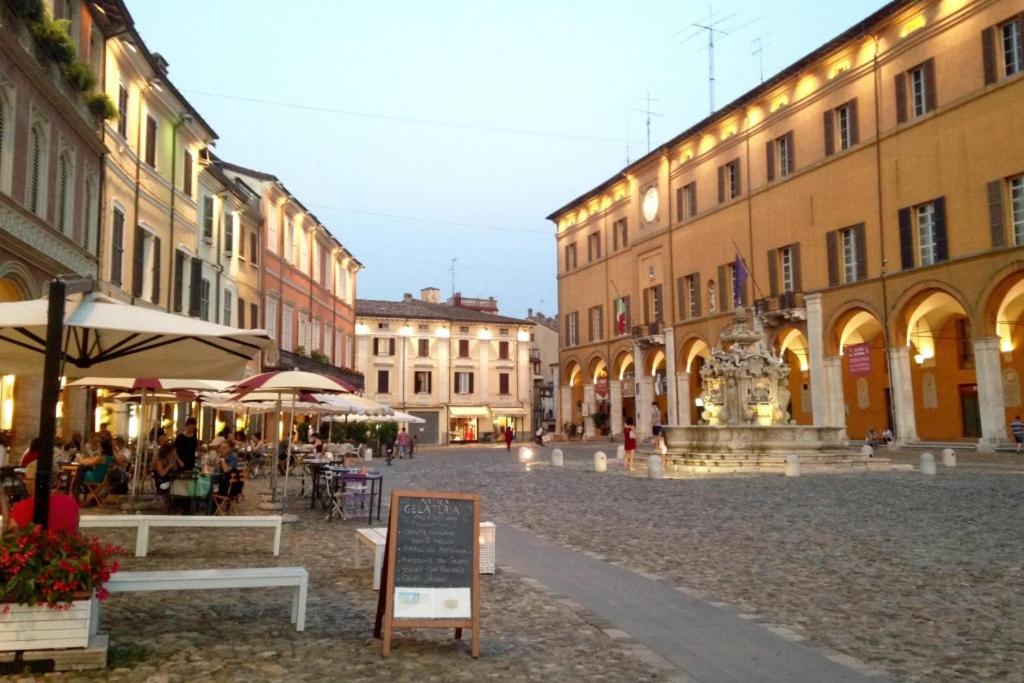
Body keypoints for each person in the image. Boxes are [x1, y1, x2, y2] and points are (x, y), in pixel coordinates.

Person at [6, 493, 80, 533]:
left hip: (32, 558)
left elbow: (10, 539)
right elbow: (76, 533)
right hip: (68, 556)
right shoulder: (70, 502)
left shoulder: (22, 507)